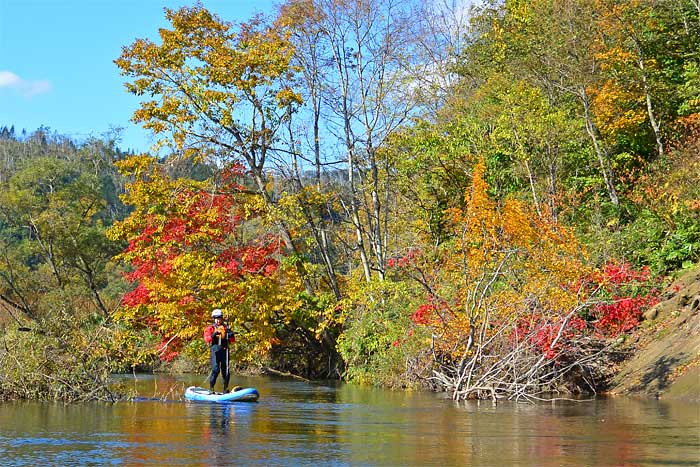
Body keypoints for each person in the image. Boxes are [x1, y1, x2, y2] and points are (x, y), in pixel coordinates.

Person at [204, 308, 235, 394]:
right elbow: (207, 339)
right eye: (216, 318)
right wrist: (213, 334)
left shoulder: (226, 328)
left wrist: (231, 335)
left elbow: (232, 340)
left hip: (225, 351)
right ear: (214, 319)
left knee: (226, 371)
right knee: (215, 369)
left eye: (219, 318)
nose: (218, 320)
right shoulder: (210, 328)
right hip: (215, 351)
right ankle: (211, 388)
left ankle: (225, 389)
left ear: (222, 318)